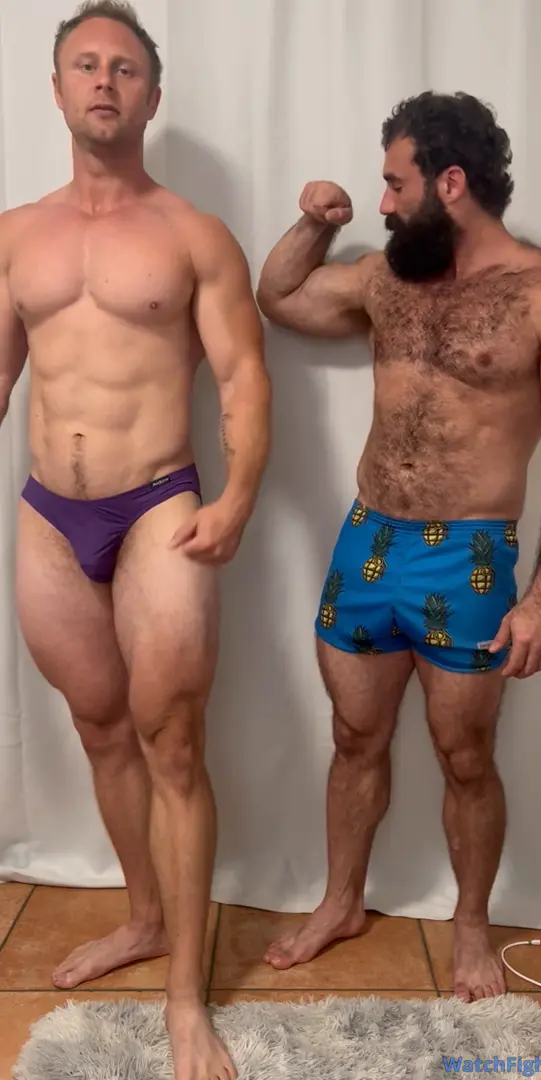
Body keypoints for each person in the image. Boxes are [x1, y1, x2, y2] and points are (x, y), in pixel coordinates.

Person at [256, 90, 541, 1002]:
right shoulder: (387, 278)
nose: (382, 203)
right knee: (352, 736)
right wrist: (314, 222)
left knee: (465, 755)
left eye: (393, 184)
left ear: (450, 183)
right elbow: (280, 296)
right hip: (367, 538)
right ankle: (341, 901)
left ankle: (472, 927)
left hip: (472, 556)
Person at [0, 2, 270, 1078]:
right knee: (101, 729)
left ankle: (187, 998)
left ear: (152, 96)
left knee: (173, 744)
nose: (104, 81)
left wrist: (239, 497)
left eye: (124, 68)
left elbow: (242, 379)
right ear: (57, 89)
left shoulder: (195, 235)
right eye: (85, 65)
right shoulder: (14, 234)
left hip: (160, 505)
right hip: (48, 515)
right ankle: (145, 916)